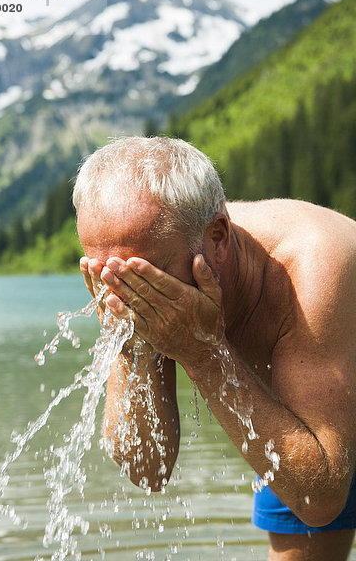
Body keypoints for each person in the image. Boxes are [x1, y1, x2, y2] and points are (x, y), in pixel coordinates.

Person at [72, 136, 356, 561]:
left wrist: (203, 353)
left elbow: (320, 498)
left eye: (142, 277)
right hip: (302, 416)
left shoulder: (311, 266)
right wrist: (132, 345)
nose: (127, 294)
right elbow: (148, 469)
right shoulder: (159, 251)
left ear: (218, 238)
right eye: (107, 276)